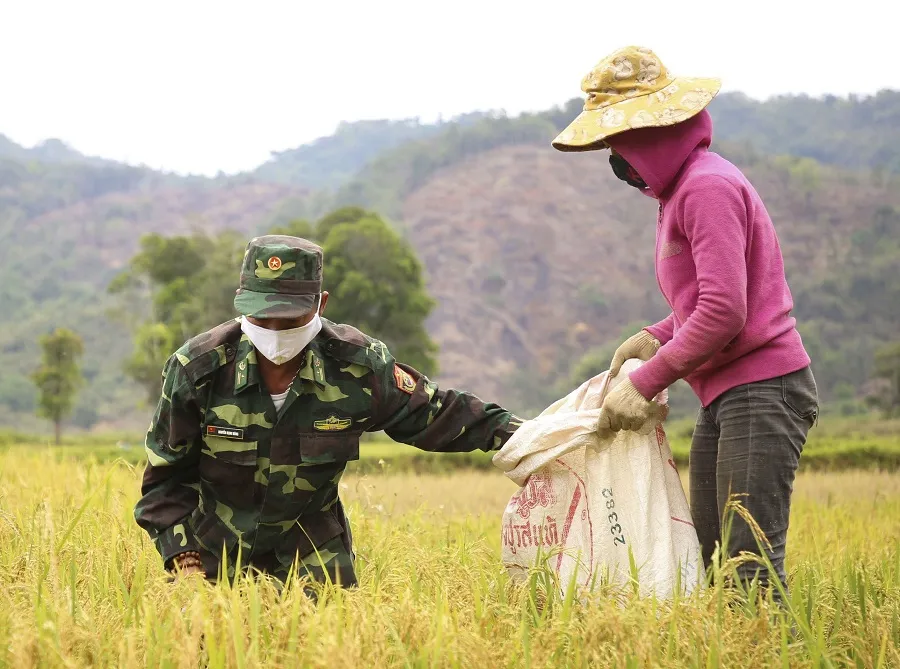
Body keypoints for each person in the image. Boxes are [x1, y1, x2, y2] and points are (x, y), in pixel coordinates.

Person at [552, 46, 819, 599]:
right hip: (725, 392)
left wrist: (649, 380)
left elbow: (726, 312)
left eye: (618, 144)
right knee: (713, 559)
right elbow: (701, 302)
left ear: (652, 132)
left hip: (763, 390)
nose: (616, 161)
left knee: (748, 565)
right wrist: (654, 336)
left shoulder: (705, 188)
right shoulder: (679, 193)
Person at [134, 235, 524, 588]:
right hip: (213, 562)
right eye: (260, 315)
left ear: (320, 304)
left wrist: (527, 434)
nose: (274, 329)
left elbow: (438, 414)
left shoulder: (358, 367)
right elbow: (165, 480)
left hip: (316, 563)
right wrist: (186, 566)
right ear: (241, 300)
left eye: (289, 318)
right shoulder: (199, 369)